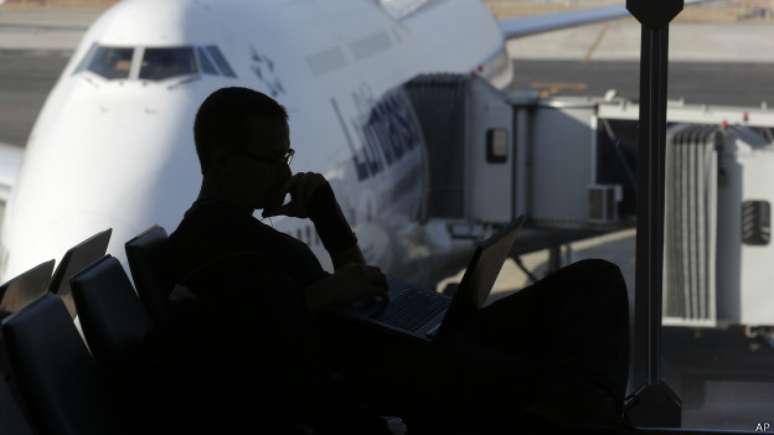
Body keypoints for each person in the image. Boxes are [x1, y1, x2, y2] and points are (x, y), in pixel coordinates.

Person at [165, 87, 630, 434]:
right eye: (272, 159)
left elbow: (354, 282)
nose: (287, 173)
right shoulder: (209, 249)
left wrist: (329, 220)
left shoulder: (239, 236)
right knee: (571, 362)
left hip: (396, 350)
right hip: (396, 376)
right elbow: (243, 350)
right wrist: (316, 297)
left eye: (287, 156)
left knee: (593, 282)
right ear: (223, 161)